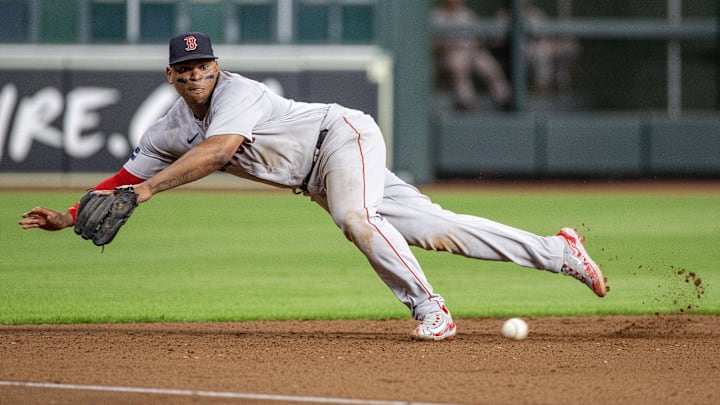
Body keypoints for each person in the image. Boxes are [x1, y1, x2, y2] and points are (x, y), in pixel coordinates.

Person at [19, 32, 607, 341]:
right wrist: (71, 215)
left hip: (342, 136)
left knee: (356, 220)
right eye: (186, 70)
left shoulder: (236, 92)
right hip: (317, 175)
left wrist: (146, 195)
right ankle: (560, 252)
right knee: (438, 229)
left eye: (205, 67)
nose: (198, 76)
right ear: (170, 75)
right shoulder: (168, 127)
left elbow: (218, 152)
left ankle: (431, 310)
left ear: (216, 68)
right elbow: (125, 178)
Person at [430, 0, 512, 111]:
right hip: (448, 54)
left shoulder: (467, 14)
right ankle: (465, 101)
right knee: (459, 63)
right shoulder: (437, 15)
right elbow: (434, 45)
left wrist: (476, 44)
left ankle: (503, 98)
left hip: (471, 52)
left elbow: (480, 39)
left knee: (487, 63)